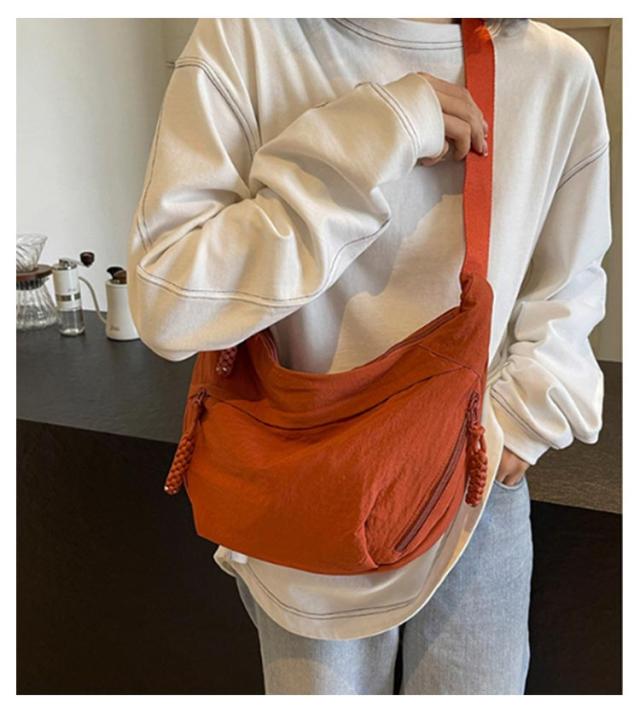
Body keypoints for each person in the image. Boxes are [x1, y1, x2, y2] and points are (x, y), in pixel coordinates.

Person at [126, 17, 612, 694]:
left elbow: (570, 279)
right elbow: (167, 300)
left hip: (474, 479)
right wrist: (371, 137)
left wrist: (523, 421)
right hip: (308, 496)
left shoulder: (554, 68)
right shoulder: (250, 37)